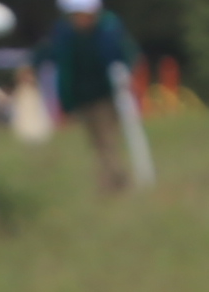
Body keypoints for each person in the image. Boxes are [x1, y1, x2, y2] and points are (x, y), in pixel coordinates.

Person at [51, 0, 145, 190]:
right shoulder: (66, 35)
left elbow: (125, 56)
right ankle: (112, 181)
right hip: (83, 98)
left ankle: (115, 183)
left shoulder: (108, 30)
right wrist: (67, 101)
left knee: (107, 141)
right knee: (97, 143)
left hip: (105, 96)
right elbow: (65, 70)